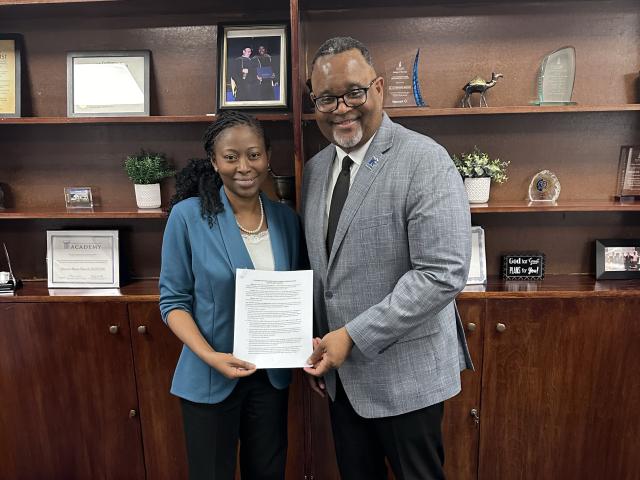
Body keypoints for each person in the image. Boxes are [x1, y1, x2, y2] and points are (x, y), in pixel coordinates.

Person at [301, 37, 473, 480]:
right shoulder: (318, 169)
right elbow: (327, 272)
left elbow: (442, 274)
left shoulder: (425, 160)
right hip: (342, 379)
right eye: (326, 98)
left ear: (378, 88)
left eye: (353, 92)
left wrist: (350, 336)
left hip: (407, 380)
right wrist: (320, 343)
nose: (341, 108)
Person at [159, 110, 303, 480]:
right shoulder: (188, 217)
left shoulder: (286, 220)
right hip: (210, 378)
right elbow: (173, 302)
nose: (244, 166)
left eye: (254, 155)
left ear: (268, 157)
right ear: (214, 161)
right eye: (231, 156)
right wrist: (210, 355)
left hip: (271, 379)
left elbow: (296, 296)